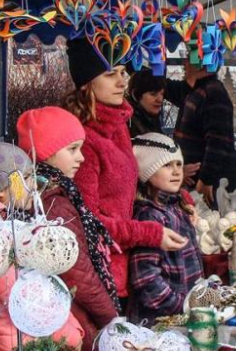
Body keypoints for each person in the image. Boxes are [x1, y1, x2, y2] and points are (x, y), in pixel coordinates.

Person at [62, 39, 187, 300]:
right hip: (101, 273)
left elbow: (132, 182)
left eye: (122, 72)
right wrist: (150, 233)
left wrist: (177, 197)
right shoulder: (81, 142)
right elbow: (89, 223)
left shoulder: (118, 124)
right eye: (110, 74)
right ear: (87, 83)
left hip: (128, 266)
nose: (122, 82)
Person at [0, 137, 84, 351]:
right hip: (16, 348)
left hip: (23, 341)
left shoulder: (8, 222)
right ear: (1, 190)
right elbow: (26, 295)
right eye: (26, 178)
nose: (34, 187)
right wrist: (70, 335)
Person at [16, 107, 120, 351]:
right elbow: (77, 272)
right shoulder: (55, 204)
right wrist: (111, 317)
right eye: (72, 149)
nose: (81, 158)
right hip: (71, 318)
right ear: (45, 152)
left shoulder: (48, 195)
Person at [129, 133, 203, 326]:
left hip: (183, 316)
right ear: (147, 172)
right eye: (167, 165)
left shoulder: (177, 208)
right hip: (161, 322)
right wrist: (181, 304)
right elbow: (145, 279)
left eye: (179, 164)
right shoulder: (150, 216)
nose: (177, 172)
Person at [167, 58, 236, 207]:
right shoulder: (194, 90)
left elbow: (217, 140)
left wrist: (206, 180)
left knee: (219, 226)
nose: (184, 63)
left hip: (215, 186)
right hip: (199, 184)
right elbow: (165, 86)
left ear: (200, 64)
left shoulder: (214, 92)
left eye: (189, 58)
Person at [126, 70, 166, 136]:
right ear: (136, 95)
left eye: (162, 94)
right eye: (153, 94)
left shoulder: (152, 119)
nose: (160, 99)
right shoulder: (129, 123)